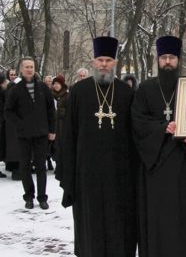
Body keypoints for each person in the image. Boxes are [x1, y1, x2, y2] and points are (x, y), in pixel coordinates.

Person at [131, 35, 186, 257]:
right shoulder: (145, 90)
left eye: (172, 58)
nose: (168, 62)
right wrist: (163, 128)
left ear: (179, 60)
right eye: (164, 57)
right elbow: (138, 123)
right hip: (156, 170)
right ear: (158, 60)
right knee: (161, 222)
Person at [58, 37, 138, 257]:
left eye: (109, 60)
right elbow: (69, 135)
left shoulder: (125, 92)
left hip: (118, 174)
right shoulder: (79, 92)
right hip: (86, 174)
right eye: (100, 60)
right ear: (94, 62)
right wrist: (68, 173)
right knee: (89, 225)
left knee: (118, 223)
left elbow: (135, 134)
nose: (104, 64)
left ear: (115, 63)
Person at [4, 57, 56, 209]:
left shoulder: (43, 88)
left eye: (31, 67)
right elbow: (8, 112)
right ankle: (29, 197)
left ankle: (42, 197)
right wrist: (21, 124)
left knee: (41, 166)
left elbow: (50, 110)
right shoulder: (15, 89)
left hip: (41, 133)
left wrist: (52, 130)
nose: (29, 69)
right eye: (26, 67)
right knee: (25, 166)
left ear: (35, 68)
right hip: (24, 135)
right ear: (21, 69)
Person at [50, 75, 69, 168]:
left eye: (58, 83)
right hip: (53, 124)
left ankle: (63, 163)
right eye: (54, 84)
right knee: (54, 145)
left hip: (63, 124)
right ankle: (56, 163)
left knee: (63, 144)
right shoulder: (50, 95)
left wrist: (59, 111)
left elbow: (70, 110)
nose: (56, 85)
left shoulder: (67, 95)